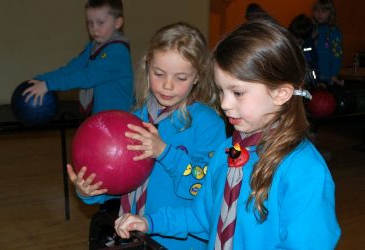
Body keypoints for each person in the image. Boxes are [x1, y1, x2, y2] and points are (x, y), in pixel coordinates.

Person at [114, 20, 341, 249]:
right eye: (221, 90)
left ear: (281, 94)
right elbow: (202, 216)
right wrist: (149, 222)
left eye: (238, 92)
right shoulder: (228, 152)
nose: (225, 104)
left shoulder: (303, 169)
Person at [67, 22, 226, 249]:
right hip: (136, 238)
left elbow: (204, 187)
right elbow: (121, 181)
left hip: (182, 243)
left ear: (198, 76)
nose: (168, 85)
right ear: (147, 67)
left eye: (181, 78)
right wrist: (89, 191)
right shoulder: (136, 118)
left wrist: (164, 152)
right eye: (159, 73)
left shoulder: (208, 124)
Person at [23, 0, 134, 115]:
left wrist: (48, 85)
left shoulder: (118, 51)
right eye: (90, 23)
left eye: (100, 23)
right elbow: (71, 69)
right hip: (101, 119)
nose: (94, 28)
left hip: (121, 121)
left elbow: (86, 77)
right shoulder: (93, 47)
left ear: (117, 23)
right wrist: (41, 79)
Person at [312, 0, 343, 86]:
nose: (319, 14)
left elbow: (337, 54)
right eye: (317, 11)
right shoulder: (312, 29)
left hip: (326, 75)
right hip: (312, 74)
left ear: (330, 13)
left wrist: (334, 74)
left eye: (323, 11)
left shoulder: (334, 31)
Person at [289, 14, 319, 90]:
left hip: (305, 83)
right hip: (288, 81)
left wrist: (315, 83)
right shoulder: (284, 40)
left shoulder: (309, 44)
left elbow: (313, 64)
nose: (297, 39)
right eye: (295, 35)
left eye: (300, 37)